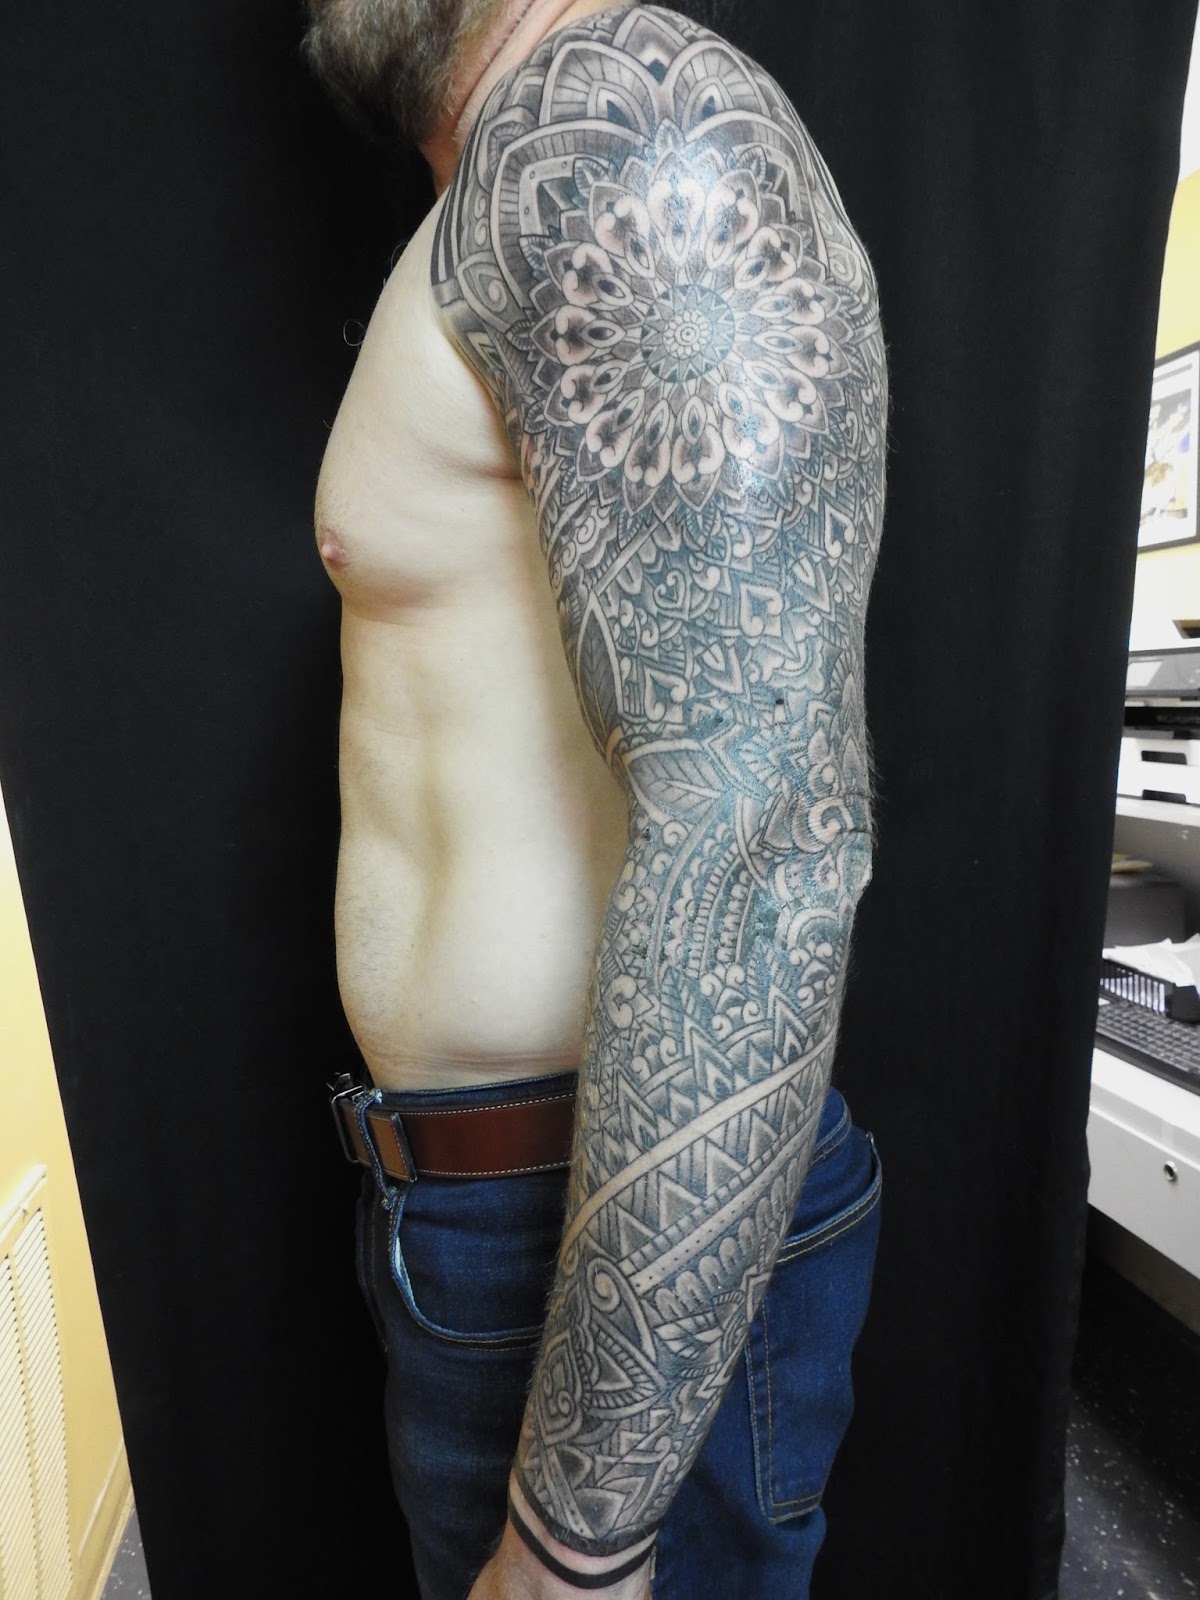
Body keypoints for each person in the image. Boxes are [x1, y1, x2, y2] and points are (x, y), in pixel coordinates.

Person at [303, 3, 889, 1596]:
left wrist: (578, 1544)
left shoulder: (631, 128)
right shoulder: (495, 197)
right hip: (492, 1229)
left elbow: (762, 848)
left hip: (620, 1247)